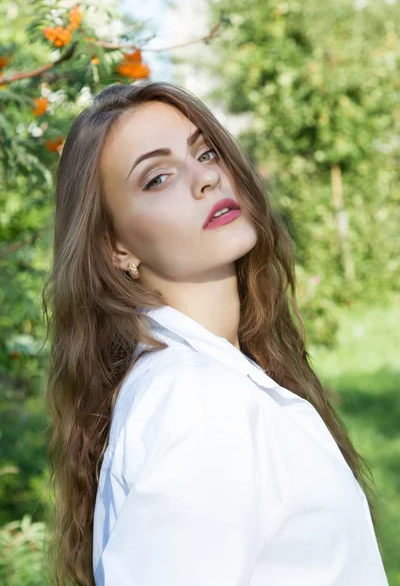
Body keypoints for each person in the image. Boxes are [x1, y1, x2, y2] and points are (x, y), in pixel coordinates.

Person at [43, 81, 389, 586]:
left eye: (205, 151)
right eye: (158, 178)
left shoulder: (201, 379)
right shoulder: (198, 398)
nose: (205, 178)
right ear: (116, 247)